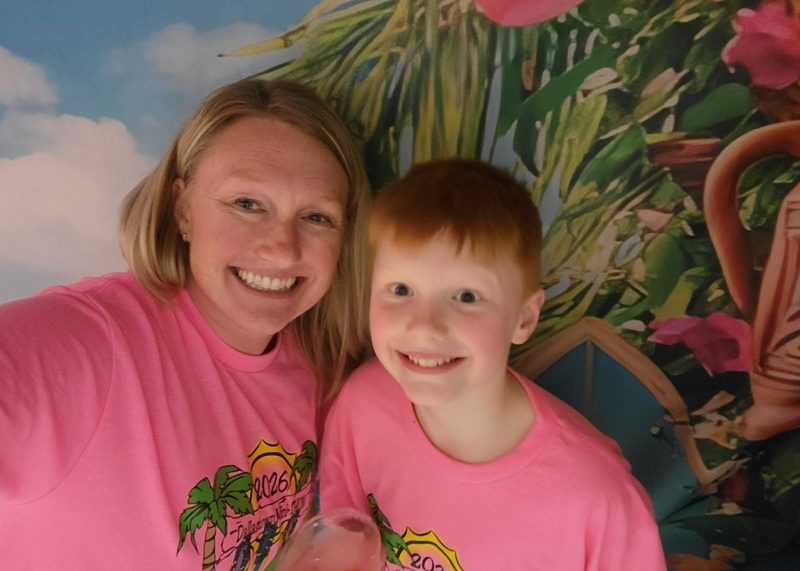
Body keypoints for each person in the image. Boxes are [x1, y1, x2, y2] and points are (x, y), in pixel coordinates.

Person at [0, 78, 371, 570]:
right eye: (247, 204)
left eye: (317, 217)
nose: (282, 246)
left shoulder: (319, 365)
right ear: (183, 210)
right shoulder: (88, 342)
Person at [320, 158, 667, 570]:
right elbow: (342, 542)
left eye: (466, 296)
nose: (425, 327)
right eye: (400, 289)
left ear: (524, 318)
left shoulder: (595, 495)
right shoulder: (361, 404)